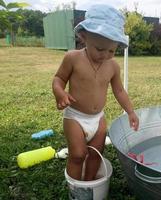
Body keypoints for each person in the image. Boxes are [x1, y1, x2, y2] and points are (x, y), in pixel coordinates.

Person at [52, 4, 139, 181]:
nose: (105, 55)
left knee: (95, 153)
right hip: (75, 117)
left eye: (112, 51)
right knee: (77, 155)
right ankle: (76, 188)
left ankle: (89, 183)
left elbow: (119, 91)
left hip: (98, 119)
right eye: (99, 49)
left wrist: (130, 111)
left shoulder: (113, 66)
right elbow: (58, 79)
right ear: (84, 37)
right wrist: (60, 93)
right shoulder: (73, 58)